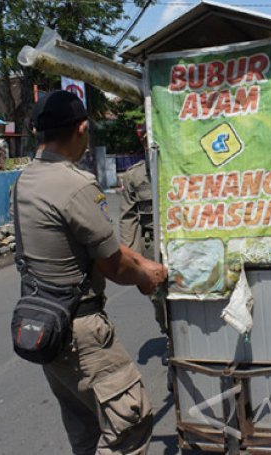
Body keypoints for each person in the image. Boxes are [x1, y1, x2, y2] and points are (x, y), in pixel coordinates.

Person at [13, 90, 168, 455]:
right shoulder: (76, 183)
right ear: (82, 128)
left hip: (43, 319)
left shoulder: (27, 179)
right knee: (130, 419)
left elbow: (92, 244)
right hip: (80, 329)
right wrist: (147, 276)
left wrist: (142, 262)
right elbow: (114, 266)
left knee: (86, 428)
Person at [120, 124, 169, 364]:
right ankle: (171, 338)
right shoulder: (134, 176)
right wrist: (133, 263)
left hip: (185, 243)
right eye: (145, 140)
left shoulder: (180, 166)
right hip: (153, 248)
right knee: (159, 299)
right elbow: (129, 218)